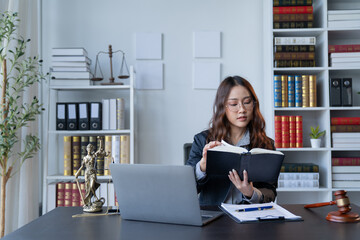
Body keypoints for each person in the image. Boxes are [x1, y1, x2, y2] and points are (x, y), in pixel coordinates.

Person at [186, 76, 276, 206]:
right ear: (223, 107)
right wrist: (202, 167)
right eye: (234, 104)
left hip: (250, 217)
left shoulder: (265, 144)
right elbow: (187, 189)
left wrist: (251, 193)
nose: (242, 110)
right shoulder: (202, 140)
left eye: (247, 102)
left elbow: (270, 192)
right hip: (214, 217)